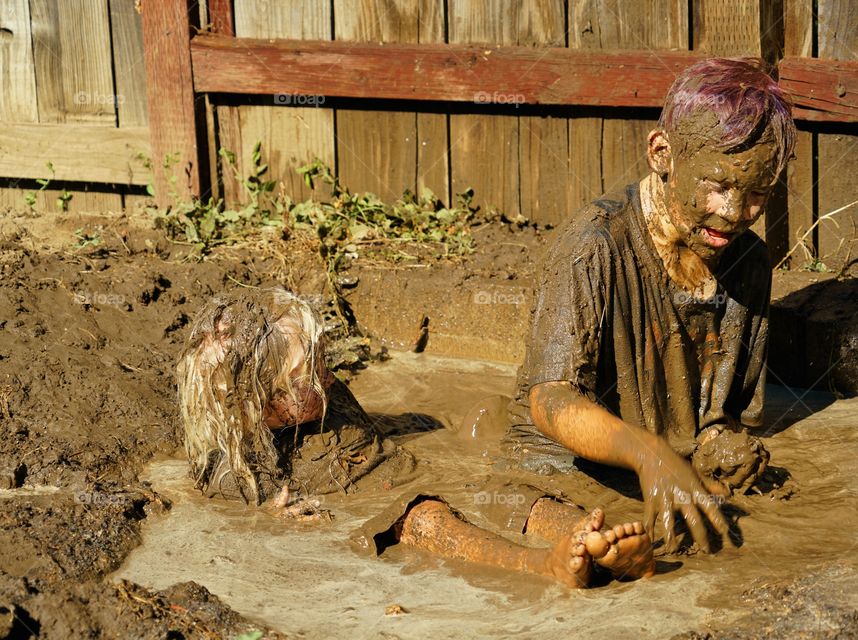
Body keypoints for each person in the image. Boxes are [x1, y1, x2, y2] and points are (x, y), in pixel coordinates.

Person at [504, 57, 795, 554]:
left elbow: (722, 415)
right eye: (719, 185)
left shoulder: (750, 262)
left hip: (664, 469)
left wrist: (718, 444)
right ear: (662, 153)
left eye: (757, 195)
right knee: (602, 554)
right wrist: (648, 453)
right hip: (556, 470)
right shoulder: (592, 246)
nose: (734, 213)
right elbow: (549, 401)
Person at [176, 288, 655, 587]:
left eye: (322, 359)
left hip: (415, 474)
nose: (327, 375)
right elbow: (244, 503)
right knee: (426, 521)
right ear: (261, 401)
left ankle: (600, 541)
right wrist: (280, 516)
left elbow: (394, 421)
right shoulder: (234, 463)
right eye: (308, 374)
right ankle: (544, 566)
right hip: (385, 510)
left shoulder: (325, 394)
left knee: (507, 494)